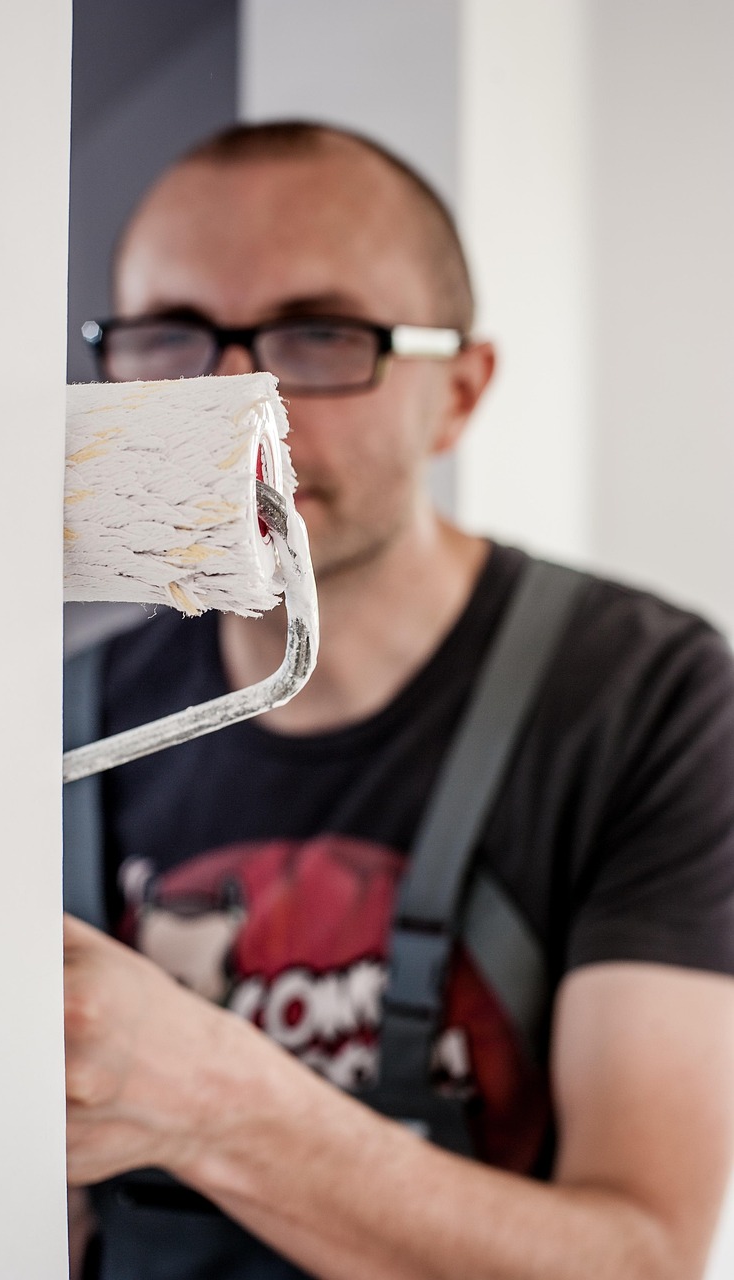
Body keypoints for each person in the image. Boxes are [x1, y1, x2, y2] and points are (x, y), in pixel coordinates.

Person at [63, 121, 734, 1280]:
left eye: (321, 336)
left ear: (460, 392)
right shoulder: (58, 715)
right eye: (170, 335)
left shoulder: (647, 697)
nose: (235, 403)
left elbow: (643, 1256)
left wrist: (208, 1099)